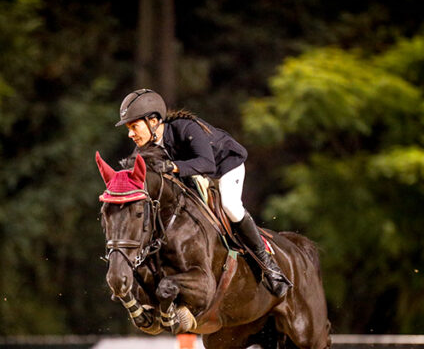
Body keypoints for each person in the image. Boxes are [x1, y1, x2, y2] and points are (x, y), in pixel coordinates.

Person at [115, 88, 292, 298]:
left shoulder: (185, 128)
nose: (130, 134)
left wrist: (172, 167)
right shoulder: (146, 147)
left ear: (153, 121)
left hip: (224, 167)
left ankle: (269, 266)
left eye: (134, 126)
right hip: (195, 175)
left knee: (230, 206)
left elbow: (207, 164)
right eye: (128, 128)